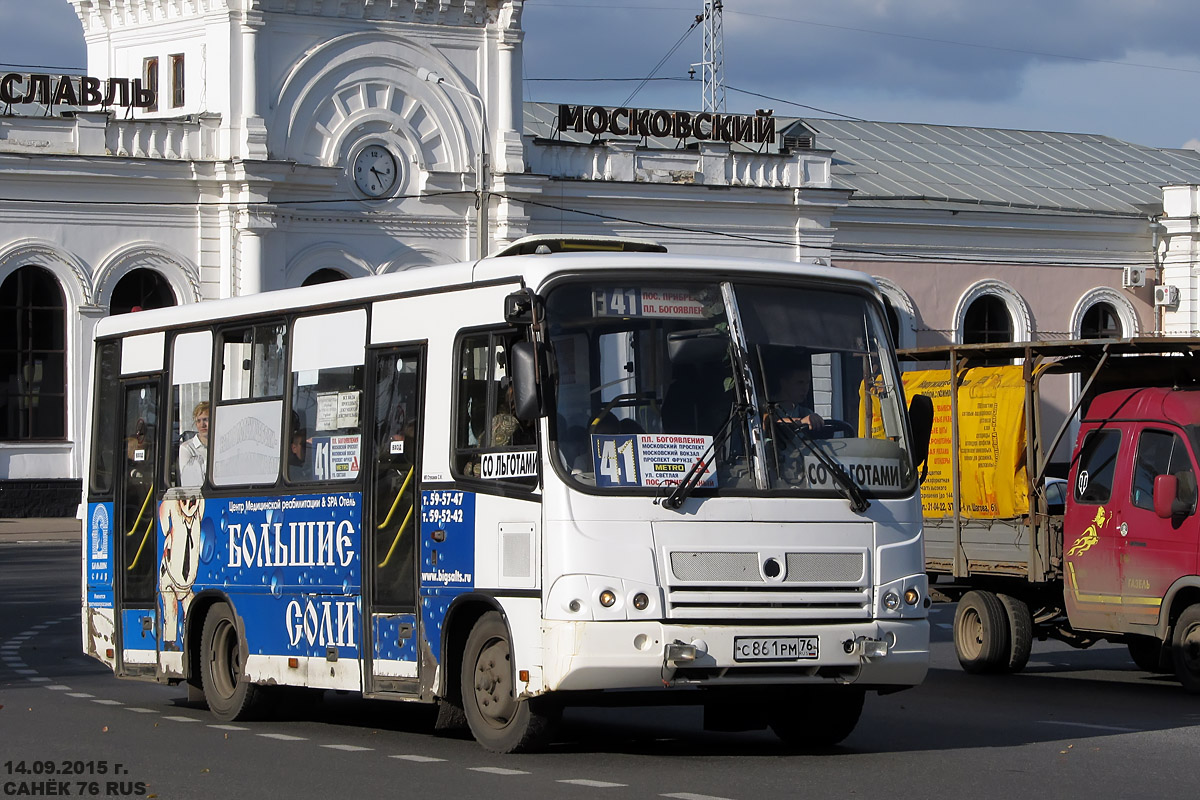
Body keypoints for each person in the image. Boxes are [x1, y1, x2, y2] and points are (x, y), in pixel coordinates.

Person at [771, 366, 824, 431]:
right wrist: (801, 422)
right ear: (784, 383)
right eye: (800, 383)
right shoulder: (766, 408)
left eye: (807, 383)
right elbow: (771, 423)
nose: (805, 388)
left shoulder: (806, 413)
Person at [177, 401, 209, 486]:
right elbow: (189, 481)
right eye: (198, 421)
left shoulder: (221, 445)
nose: (202, 425)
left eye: (206, 420)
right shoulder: (186, 448)